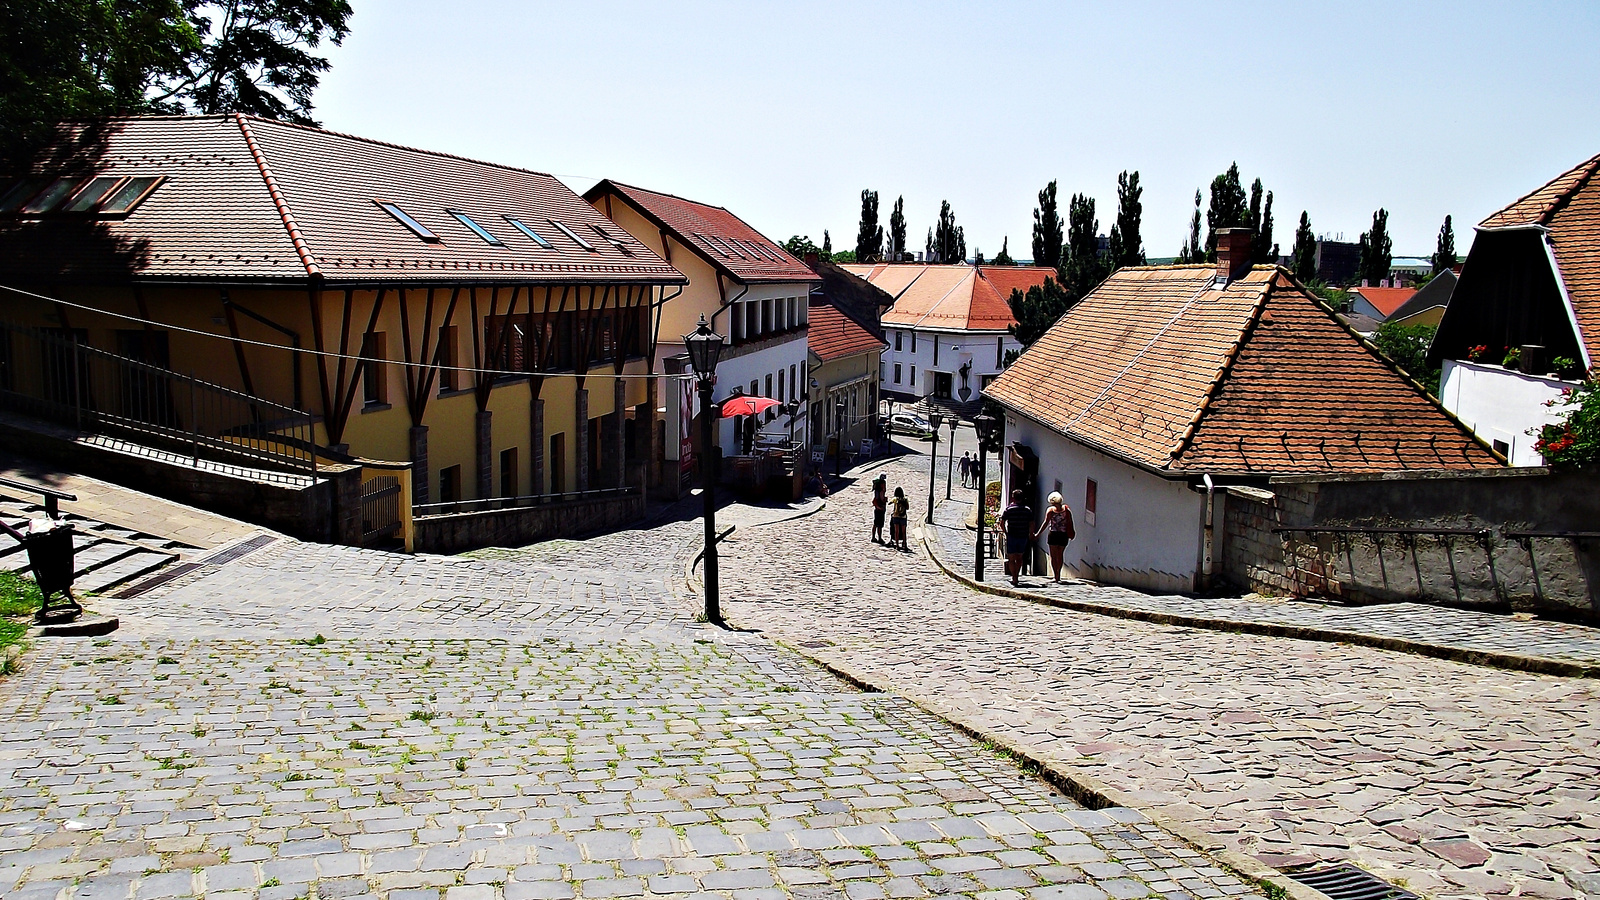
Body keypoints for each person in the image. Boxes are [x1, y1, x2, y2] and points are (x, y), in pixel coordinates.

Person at [1033, 491, 1075, 583]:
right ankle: (1058, 575)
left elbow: (1046, 523)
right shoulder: (1066, 510)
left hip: (1053, 534)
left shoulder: (1051, 510)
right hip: (1063, 535)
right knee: (1060, 555)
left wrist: (1038, 533)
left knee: (1053, 556)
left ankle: (1055, 576)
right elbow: (1070, 522)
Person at [1000, 489, 1033, 587]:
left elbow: (1002, 523)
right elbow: (1032, 523)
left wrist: (1006, 532)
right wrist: (1030, 533)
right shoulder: (1027, 510)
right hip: (1023, 536)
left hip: (1012, 536)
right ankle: (1016, 576)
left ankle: (1014, 577)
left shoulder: (1009, 509)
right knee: (1019, 557)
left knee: (1011, 558)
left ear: (1013, 497)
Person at [889, 487, 910, 551]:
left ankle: (897, 545)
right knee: (904, 532)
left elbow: (889, 503)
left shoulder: (895, 499)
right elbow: (907, 507)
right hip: (903, 516)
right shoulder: (905, 499)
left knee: (896, 531)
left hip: (896, 516)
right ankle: (904, 544)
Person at [871, 474, 888, 544]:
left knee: (876, 524)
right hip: (880, 510)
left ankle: (873, 537)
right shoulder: (880, 492)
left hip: (878, 509)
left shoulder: (878, 492)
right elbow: (875, 501)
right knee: (879, 525)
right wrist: (880, 506)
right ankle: (879, 538)